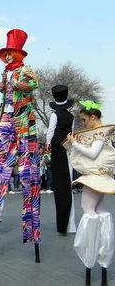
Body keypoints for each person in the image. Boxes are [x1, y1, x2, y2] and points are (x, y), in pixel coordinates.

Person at [0, 29, 41, 262]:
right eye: (5, 54)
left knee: (28, 171)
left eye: (10, 53)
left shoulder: (24, 70)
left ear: (17, 53)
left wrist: (14, 81)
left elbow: (33, 84)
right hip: (6, 118)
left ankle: (32, 229)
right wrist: (2, 85)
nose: (7, 57)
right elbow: (5, 93)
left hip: (23, 120)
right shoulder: (5, 72)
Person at [65, 101, 114, 286]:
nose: (83, 123)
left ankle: (91, 251)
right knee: (99, 212)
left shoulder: (100, 134)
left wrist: (74, 143)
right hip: (97, 176)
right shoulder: (100, 133)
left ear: (93, 117)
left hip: (95, 177)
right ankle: (101, 253)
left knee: (89, 211)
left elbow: (93, 154)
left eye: (84, 120)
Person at [46, 84, 77, 236]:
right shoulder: (71, 116)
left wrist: (48, 145)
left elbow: (50, 132)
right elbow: (73, 133)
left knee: (60, 187)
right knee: (68, 185)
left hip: (57, 150)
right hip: (67, 149)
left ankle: (62, 225)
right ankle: (69, 224)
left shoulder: (54, 115)